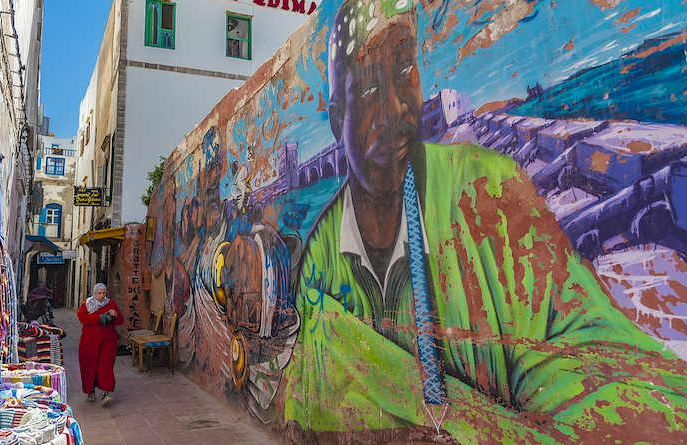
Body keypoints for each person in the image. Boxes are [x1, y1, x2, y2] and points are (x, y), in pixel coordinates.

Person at [282, 0, 687, 441]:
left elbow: (588, 351)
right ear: (336, 116)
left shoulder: (487, 194)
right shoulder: (320, 260)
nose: (396, 108)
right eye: (366, 91)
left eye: (404, 71)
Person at [77, 283, 123, 406]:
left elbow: (120, 321)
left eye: (104, 293)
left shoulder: (111, 304)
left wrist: (115, 315)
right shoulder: (87, 304)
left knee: (105, 364)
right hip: (90, 340)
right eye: (99, 293)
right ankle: (90, 390)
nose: (102, 296)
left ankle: (105, 393)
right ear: (95, 293)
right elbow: (82, 317)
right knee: (89, 364)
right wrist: (99, 318)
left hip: (108, 339)